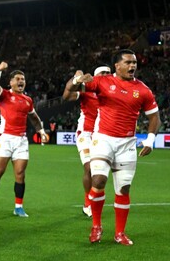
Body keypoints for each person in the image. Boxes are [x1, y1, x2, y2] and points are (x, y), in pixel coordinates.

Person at [66, 50, 160, 245]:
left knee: (123, 189)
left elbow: (154, 117)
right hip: (103, 139)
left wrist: (150, 140)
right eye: (128, 62)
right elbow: (67, 93)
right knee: (98, 180)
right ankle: (96, 226)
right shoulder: (103, 82)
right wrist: (77, 80)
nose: (132, 66)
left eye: (134, 63)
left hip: (127, 144)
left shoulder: (143, 90)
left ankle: (119, 233)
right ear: (117, 65)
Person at [0, 62, 49, 217]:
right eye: (17, 78)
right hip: (6, 138)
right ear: (10, 82)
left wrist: (41, 131)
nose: (21, 81)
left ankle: (18, 206)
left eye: (22, 79)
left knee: (20, 173)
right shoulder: (4, 95)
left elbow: (34, 118)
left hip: (21, 140)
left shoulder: (28, 100)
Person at [62, 65, 111, 218]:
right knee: (89, 168)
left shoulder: (112, 93)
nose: (106, 75)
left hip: (102, 135)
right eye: (103, 73)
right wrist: (77, 78)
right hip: (86, 133)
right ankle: (87, 202)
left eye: (109, 73)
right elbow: (66, 96)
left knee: (99, 171)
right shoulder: (86, 91)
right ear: (95, 76)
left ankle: (94, 198)